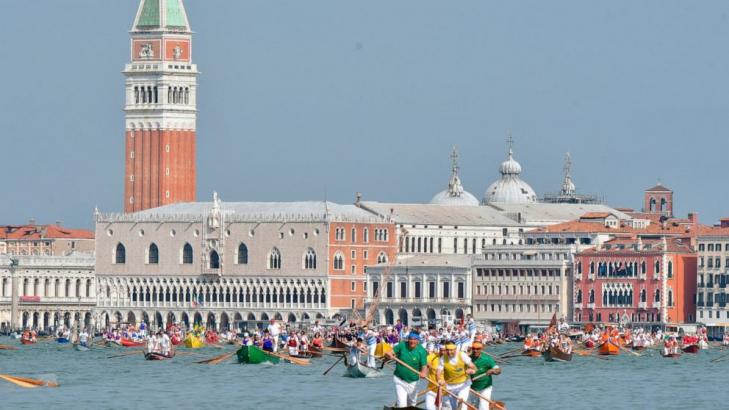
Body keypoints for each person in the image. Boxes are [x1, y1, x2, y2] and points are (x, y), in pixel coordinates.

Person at [384, 332, 428, 408]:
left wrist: (423, 373)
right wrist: (389, 355)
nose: (412, 341)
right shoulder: (402, 345)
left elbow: (424, 366)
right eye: (410, 339)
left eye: (414, 339)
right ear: (408, 339)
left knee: (412, 404)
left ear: (418, 341)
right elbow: (389, 353)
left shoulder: (422, 351)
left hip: (414, 381)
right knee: (402, 404)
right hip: (400, 380)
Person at [437, 340, 477, 410]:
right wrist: (439, 380)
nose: (449, 352)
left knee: (462, 402)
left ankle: (461, 404)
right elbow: (438, 372)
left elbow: (474, 368)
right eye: (447, 350)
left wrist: (472, 371)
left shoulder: (462, 355)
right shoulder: (443, 358)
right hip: (450, 386)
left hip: (464, 384)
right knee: (454, 408)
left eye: (451, 350)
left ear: (455, 349)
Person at [470, 341, 501, 410]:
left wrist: (493, 371)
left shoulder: (487, 359)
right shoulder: (468, 358)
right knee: (473, 406)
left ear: (481, 349)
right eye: (473, 348)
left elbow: (498, 370)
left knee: (483, 406)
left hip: (485, 386)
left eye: (478, 349)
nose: (475, 351)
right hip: (472, 387)